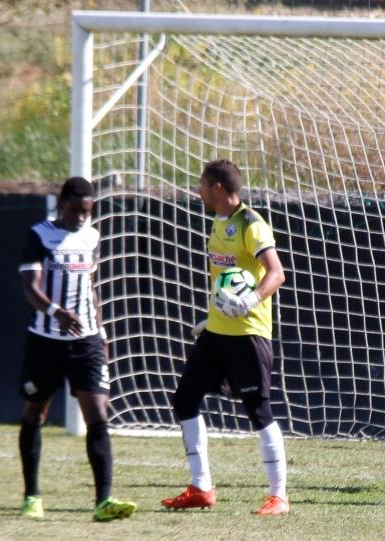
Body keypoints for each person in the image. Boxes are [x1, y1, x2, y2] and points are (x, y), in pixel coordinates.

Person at [161, 159, 290, 515]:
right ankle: (201, 487)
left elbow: (276, 273)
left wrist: (249, 300)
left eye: (202, 184)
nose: (198, 191)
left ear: (217, 187)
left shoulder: (251, 223)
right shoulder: (217, 224)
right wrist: (212, 317)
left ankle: (279, 496)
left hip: (248, 333)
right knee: (185, 398)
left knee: (258, 410)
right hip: (217, 332)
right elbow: (226, 282)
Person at [16, 176, 137, 521]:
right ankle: (31, 496)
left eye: (87, 211)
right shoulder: (39, 235)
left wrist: (101, 331)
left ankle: (103, 500)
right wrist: (56, 312)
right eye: (75, 210)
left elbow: (92, 287)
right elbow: (29, 288)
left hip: (86, 342)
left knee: (98, 415)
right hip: (45, 341)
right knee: (35, 415)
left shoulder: (92, 236)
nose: (81, 218)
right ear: (61, 204)